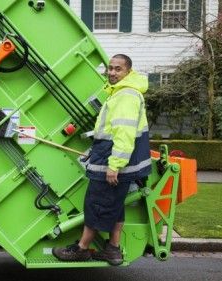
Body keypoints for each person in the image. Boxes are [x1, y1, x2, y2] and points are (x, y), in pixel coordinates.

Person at [52, 54, 152, 266]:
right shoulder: (122, 93)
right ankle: (113, 250)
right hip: (116, 158)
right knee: (115, 205)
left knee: (96, 204)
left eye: (118, 69)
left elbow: (124, 134)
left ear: (128, 72)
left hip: (114, 161)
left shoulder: (126, 95)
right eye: (110, 68)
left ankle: (81, 249)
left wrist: (114, 166)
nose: (112, 73)